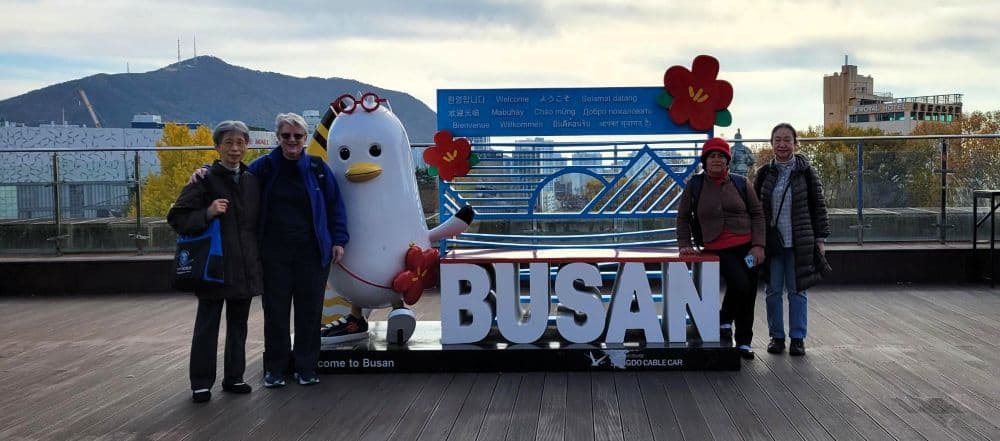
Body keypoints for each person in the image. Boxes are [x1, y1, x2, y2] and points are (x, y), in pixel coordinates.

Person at [250, 113, 349, 387]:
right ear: (277, 138)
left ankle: (306, 367)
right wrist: (206, 172)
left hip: (311, 252)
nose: (292, 140)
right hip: (274, 253)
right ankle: (275, 368)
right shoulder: (264, 168)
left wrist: (339, 240)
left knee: (309, 311)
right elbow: (234, 182)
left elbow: (335, 206)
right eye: (286, 136)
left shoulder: (318, 169)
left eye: (297, 136)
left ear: (305, 139)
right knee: (276, 312)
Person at [168, 120, 263, 403]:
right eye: (229, 143)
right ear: (217, 147)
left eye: (240, 142)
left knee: (239, 326)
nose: (235, 148)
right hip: (213, 266)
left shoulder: (251, 180)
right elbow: (178, 217)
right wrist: (208, 213)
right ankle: (201, 382)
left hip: (244, 267)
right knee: (207, 326)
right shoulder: (205, 179)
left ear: (247, 146)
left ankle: (234, 377)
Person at [676, 137, 766, 360]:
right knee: (740, 284)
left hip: (747, 246)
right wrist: (685, 244)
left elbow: (757, 213)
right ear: (704, 161)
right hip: (716, 246)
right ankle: (724, 318)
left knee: (749, 292)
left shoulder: (741, 182)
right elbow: (683, 217)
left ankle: (744, 341)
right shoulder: (694, 185)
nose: (716, 160)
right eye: (711, 156)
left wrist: (758, 245)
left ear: (728, 161)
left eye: (720, 156)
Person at [753, 123, 830, 356]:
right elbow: (755, 209)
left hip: (800, 242)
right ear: (771, 144)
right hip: (773, 244)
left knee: (798, 291)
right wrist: (756, 241)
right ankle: (776, 337)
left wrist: (820, 239)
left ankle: (798, 338)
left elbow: (819, 206)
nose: (782, 144)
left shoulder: (806, 172)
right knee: (773, 291)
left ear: (796, 143)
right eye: (778, 140)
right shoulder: (764, 173)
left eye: (787, 139)